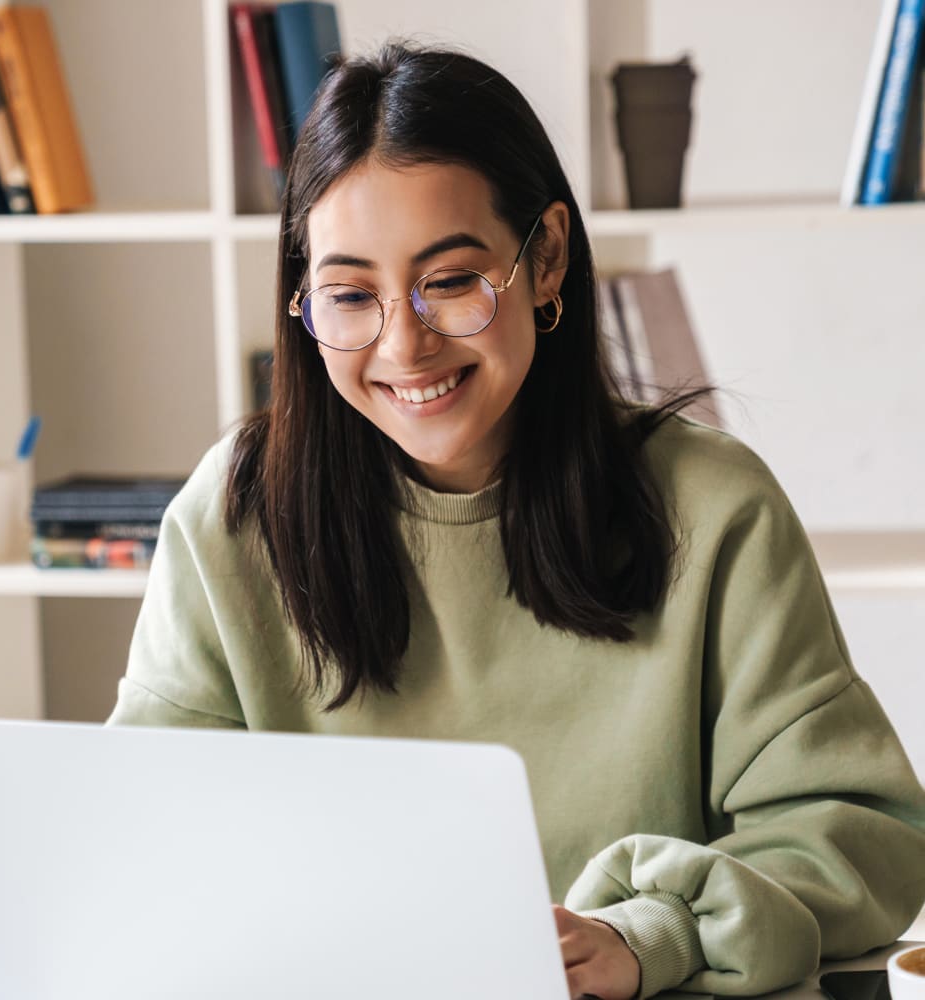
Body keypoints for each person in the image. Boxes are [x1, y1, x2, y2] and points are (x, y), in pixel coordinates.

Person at [108, 41, 925, 1000]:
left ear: (545, 259)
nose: (403, 346)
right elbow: (140, 843)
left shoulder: (713, 507)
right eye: (350, 295)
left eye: (450, 281)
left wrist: (654, 934)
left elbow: (859, 836)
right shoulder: (231, 517)